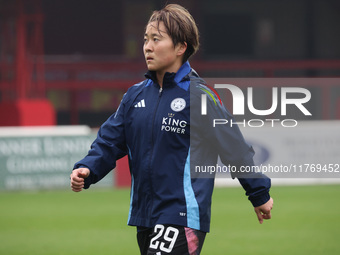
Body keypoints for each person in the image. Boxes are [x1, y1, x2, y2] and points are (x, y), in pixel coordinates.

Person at [70, 4, 273, 255]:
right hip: (144, 216)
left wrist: (259, 193)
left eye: (156, 39)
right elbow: (110, 140)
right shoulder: (134, 96)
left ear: (180, 47)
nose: (147, 46)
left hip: (182, 215)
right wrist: (88, 167)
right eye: (146, 39)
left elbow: (234, 148)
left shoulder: (200, 97)